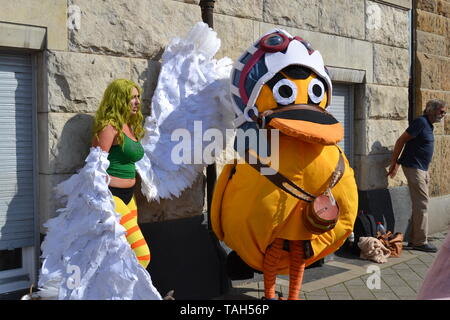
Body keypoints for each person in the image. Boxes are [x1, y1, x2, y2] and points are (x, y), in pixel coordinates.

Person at [92, 78, 151, 268]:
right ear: (118, 99)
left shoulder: (129, 125)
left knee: (124, 251)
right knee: (142, 255)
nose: (136, 102)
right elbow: (94, 168)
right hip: (112, 197)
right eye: (131, 98)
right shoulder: (109, 126)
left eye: (137, 97)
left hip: (129, 197)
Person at [387, 99, 447, 253]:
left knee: (420, 204)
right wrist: (395, 163)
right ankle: (420, 242)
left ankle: (415, 240)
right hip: (414, 168)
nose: (444, 114)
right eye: (441, 111)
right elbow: (401, 141)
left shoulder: (428, 125)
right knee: (423, 204)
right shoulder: (420, 122)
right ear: (431, 110)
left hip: (421, 169)